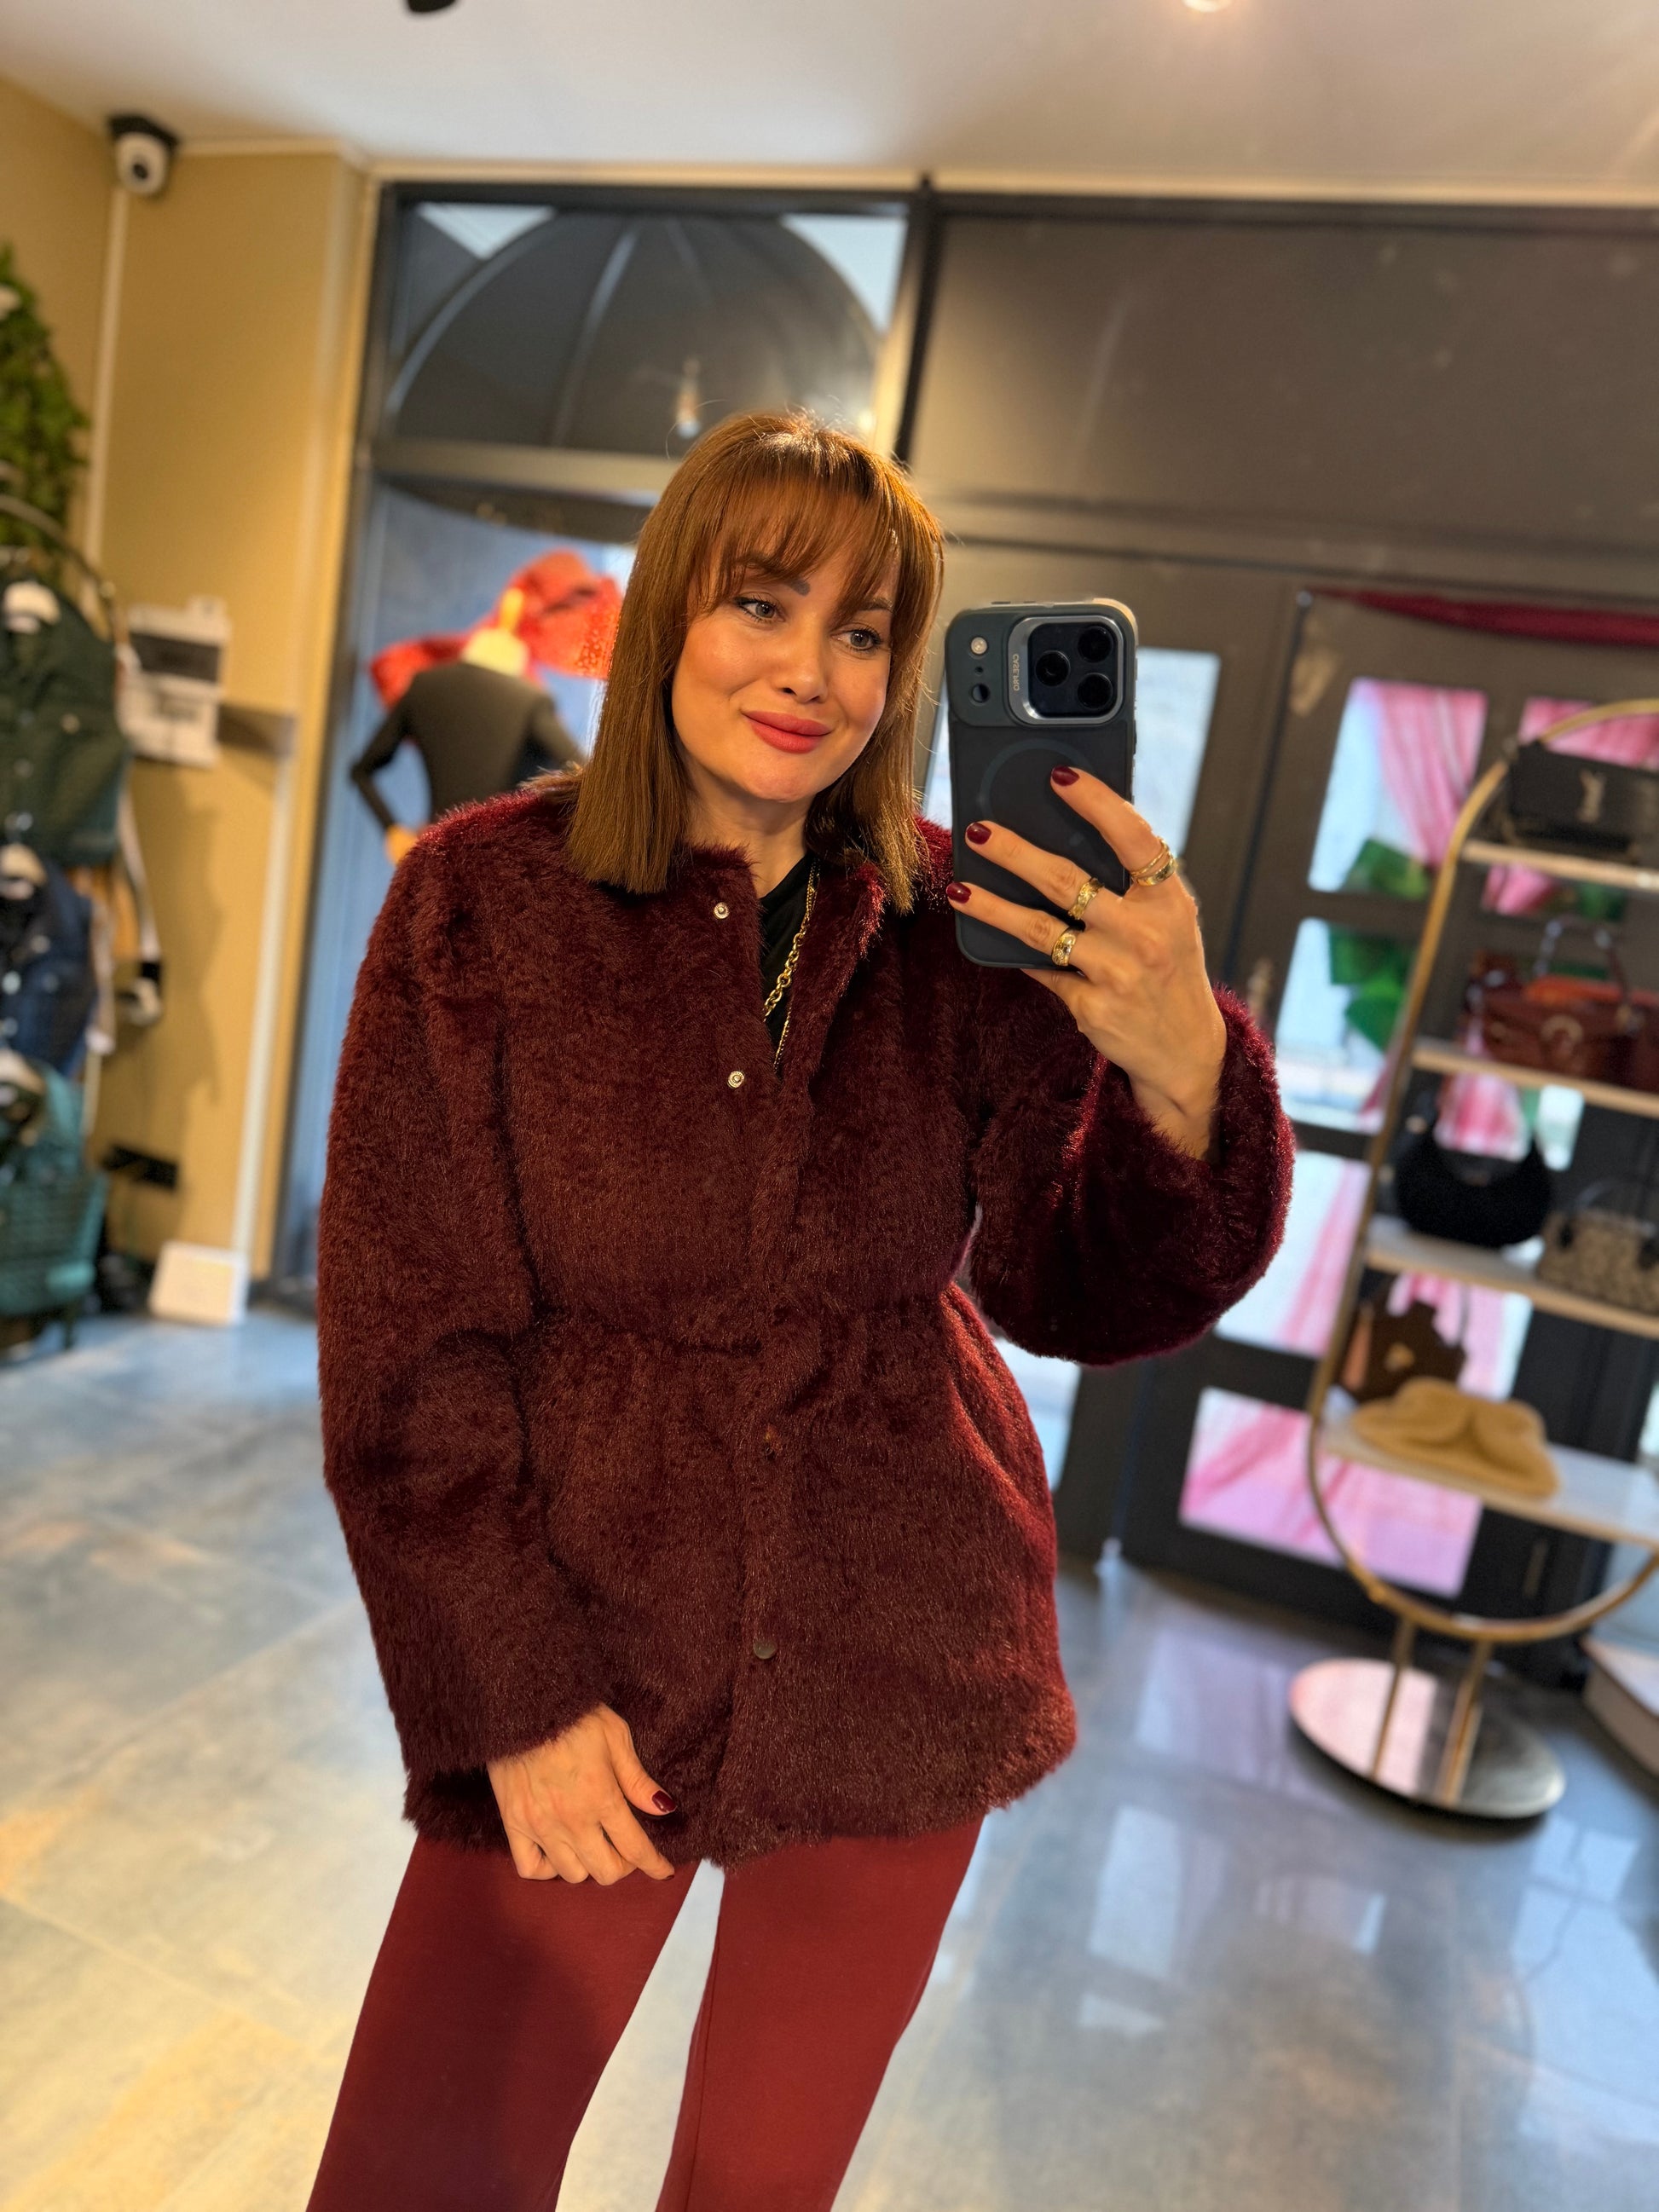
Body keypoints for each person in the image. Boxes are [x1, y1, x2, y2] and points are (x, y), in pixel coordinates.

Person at [306, 410, 1292, 2212]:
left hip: (894, 1649)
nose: (810, 671)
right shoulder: (479, 904)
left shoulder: (960, 924)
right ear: (668, 609)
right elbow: (407, 1348)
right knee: (420, 2175)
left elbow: (1067, 1288)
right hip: (583, 1650)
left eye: (863, 630)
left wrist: (1179, 1076)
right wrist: (511, 1694)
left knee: (760, 2189)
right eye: (762, 602)